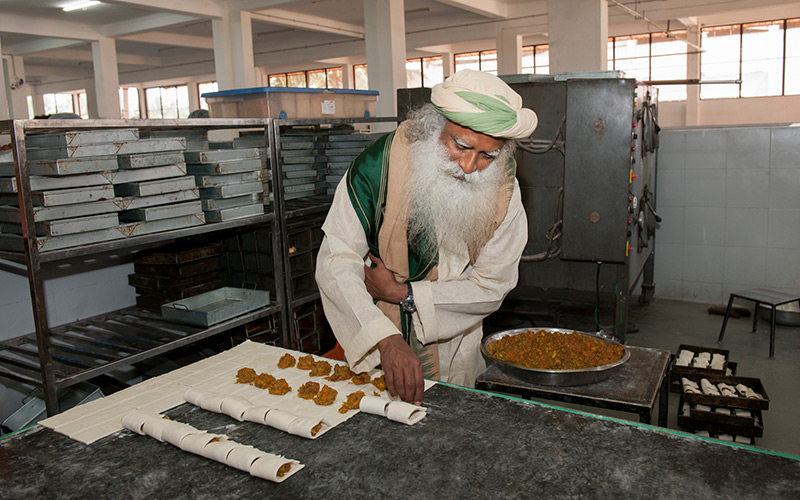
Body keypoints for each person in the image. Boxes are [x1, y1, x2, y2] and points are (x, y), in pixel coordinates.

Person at [315, 69, 538, 404]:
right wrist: (384, 338)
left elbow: (493, 284)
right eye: (460, 145)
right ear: (434, 127)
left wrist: (404, 294)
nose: (468, 165)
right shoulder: (379, 166)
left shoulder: (503, 188)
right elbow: (336, 259)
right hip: (375, 331)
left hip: (455, 345)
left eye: (486, 155)